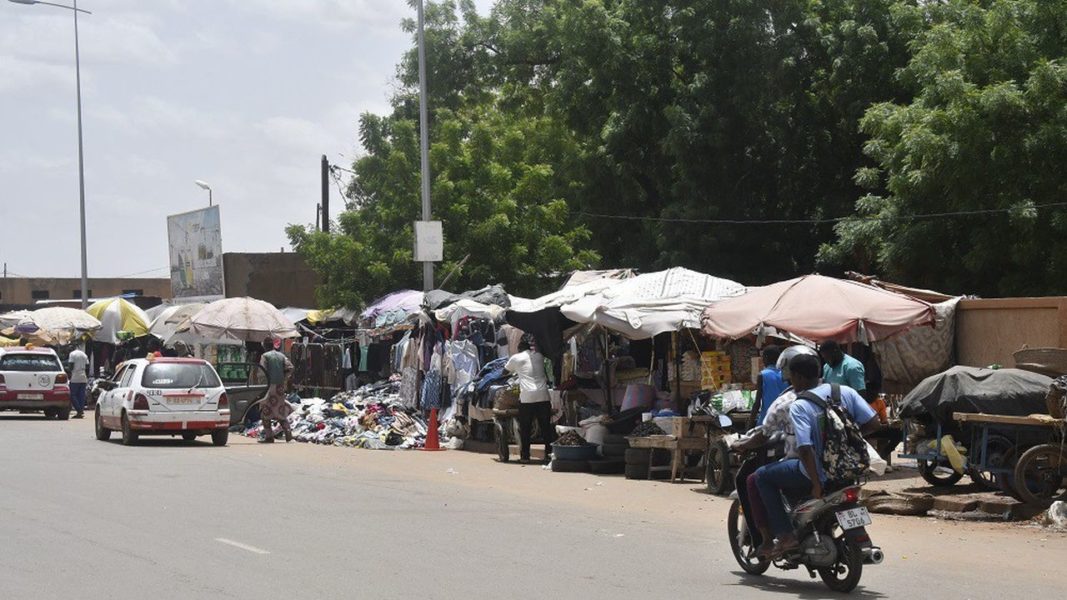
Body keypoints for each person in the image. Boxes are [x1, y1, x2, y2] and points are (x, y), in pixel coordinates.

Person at [754, 353, 880, 558]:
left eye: (791, 377)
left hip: (816, 471)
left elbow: (805, 448)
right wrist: (845, 439)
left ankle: (786, 536)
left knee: (761, 476)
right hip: (848, 468)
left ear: (799, 377)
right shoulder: (845, 391)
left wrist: (816, 483)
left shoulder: (800, 405)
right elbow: (874, 424)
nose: (791, 382)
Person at [504, 337, 555, 464]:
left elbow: (504, 371)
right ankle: (549, 455)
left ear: (519, 349)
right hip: (543, 395)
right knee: (545, 428)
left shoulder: (516, 358)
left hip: (527, 397)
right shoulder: (539, 356)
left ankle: (525, 456)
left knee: (525, 428)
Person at [258, 338, 294, 443]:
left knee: (265, 411)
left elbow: (261, 371)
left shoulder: (265, 356)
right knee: (280, 411)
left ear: (264, 346)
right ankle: (288, 434)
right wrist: (284, 377)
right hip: (279, 388)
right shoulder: (281, 356)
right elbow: (290, 367)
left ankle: (269, 436)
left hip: (268, 387)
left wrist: (262, 384)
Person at [750, 345, 787, 426]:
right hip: (784, 421)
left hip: (767, 421)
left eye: (763, 357)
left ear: (766, 358)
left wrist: (750, 422)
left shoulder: (762, 375)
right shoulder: (785, 374)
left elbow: (757, 403)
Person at [67, 344, 89, 419]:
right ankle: (80, 410)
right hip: (83, 376)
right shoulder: (84, 354)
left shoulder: (72, 354)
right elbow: (87, 366)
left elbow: (71, 366)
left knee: (72, 394)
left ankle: (79, 410)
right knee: (81, 395)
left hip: (75, 376)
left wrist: (69, 372)